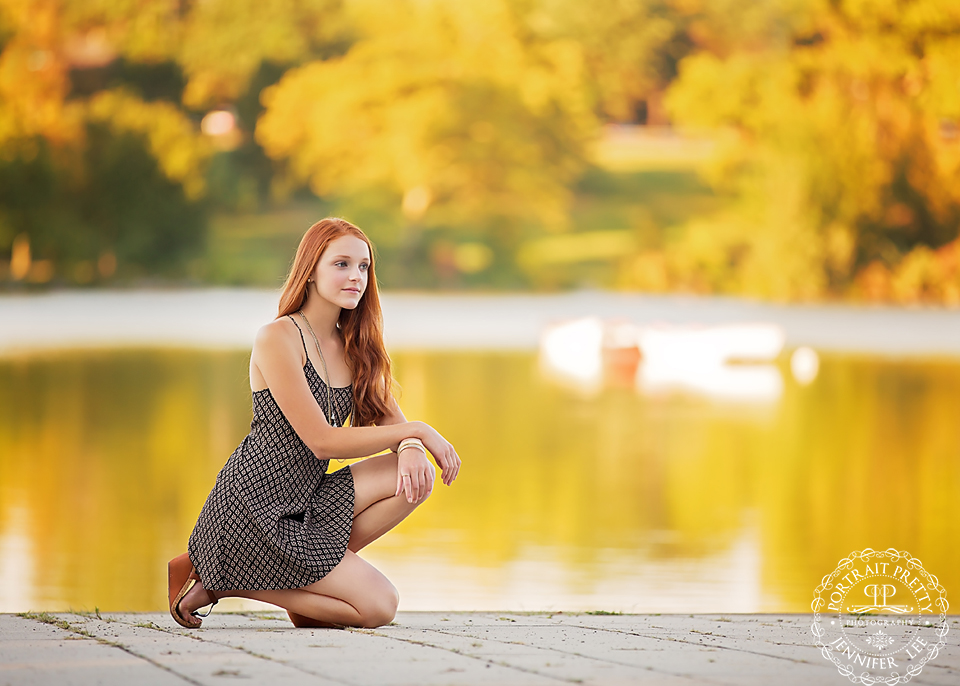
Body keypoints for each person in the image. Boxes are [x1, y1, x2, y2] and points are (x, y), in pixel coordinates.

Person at [168, 217, 461, 629]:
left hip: (307, 503)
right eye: (341, 264)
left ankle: (287, 589)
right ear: (310, 271)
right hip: (254, 508)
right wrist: (419, 431)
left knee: (413, 476)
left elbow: (393, 425)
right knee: (380, 606)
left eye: (363, 267)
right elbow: (322, 442)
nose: (355, 276)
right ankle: (222, 579)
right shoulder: (278, 338)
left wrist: (411, 445)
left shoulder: (355, 347)